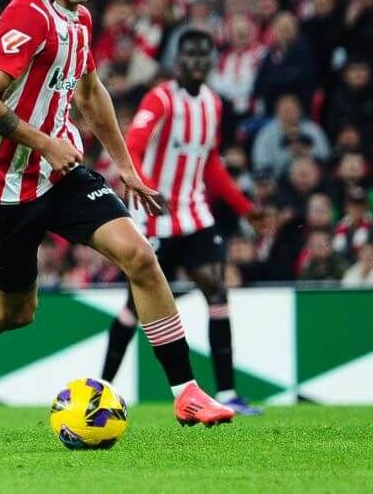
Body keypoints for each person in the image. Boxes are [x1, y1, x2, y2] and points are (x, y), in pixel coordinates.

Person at [0, 0, 233, 427]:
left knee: (140, 255)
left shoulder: (81, 19)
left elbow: (90, 93)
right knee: (16, 313)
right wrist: (45, 142)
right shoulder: (29, 16)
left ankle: (186, 392)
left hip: (61, 177)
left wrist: (126, 167)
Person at [99, 28, 264, 416]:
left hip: (194, 215)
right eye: (189, 55)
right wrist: (143, 188)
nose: (196, 62)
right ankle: (102, 387)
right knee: (134, 307)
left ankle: (227, 395)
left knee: (217, 290)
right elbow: (131, 148)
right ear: (177, 61)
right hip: (154, 219)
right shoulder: (159, 100)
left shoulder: (213, 104)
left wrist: (244, 207)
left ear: (211, 61)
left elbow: (210, 164)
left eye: (203, 55)